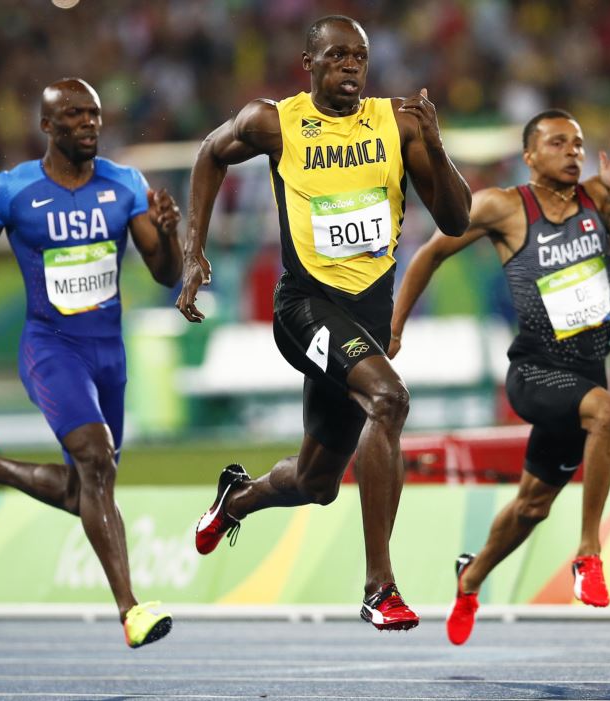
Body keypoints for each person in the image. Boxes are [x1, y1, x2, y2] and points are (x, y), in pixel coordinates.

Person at [174, 15, 471, 631]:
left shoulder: (400, 123)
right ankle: (379, 587)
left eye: (359, 56)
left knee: (315, 481)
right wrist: (194, 252)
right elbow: (208, 154)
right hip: (303, 307)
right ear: (307, 63)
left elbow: (456, 221)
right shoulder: (273, 122)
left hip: (363, 312)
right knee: (388, 400)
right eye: (336, 56)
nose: (351, 67)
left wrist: (437, 148)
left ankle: (240, 498)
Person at [0, 78, 183, 649]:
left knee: (84, 488)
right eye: (77, 116)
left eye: (96, 115)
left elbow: (165, 274)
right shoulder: (10, 192)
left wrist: (169, 232)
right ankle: (130, 610)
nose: (91, 124)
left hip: (108, 353)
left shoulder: (125, 184)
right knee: (95, 459)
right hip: (49, 347)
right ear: (48, 126)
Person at [390, 109, 610, 645]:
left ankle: (471, 577)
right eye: (557, 143)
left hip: (585, 374)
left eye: (579, 143)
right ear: (530, 156)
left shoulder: (600, 201)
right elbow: (430, 253)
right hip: (535, 373)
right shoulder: (504, 206)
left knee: (533, 505)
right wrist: (395, 329)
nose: (573, 151)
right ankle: (589, 555)